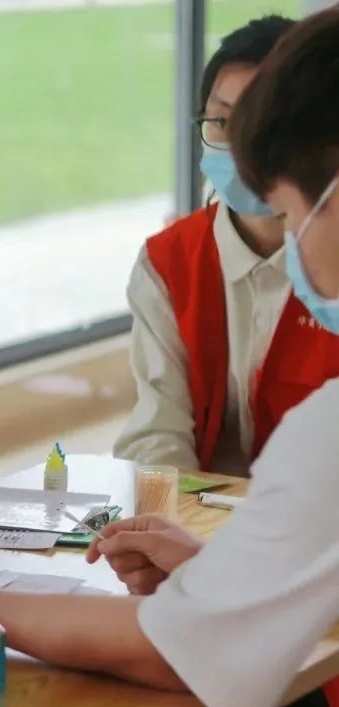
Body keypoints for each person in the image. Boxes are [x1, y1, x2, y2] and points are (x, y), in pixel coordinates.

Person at [0, 9, 339, 707]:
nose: (291, 246)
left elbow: (174, 649)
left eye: (293, 217)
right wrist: (228, 572)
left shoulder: (327, 437)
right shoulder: (175, 260)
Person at [113, 14, 339, 478]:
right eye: (220, 121)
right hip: (217, 511)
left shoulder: (328, 266)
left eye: (257, 126)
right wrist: (175, 510)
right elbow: (157, 434)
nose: (238, 146)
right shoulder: (169, 261)